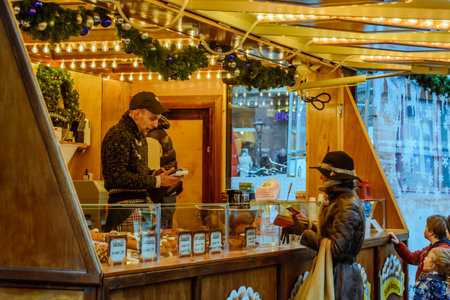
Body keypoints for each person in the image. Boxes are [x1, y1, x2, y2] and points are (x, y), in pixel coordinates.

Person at [281, 151, 365, 299]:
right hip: (338, 276)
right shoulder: (341, 200)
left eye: (324, 174)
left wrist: (304, 233)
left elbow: (336, 249)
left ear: (334, 178)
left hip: (340, 282)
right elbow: (332, 235)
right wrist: (307, 225)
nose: (320, 177)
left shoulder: (346, 205)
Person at [101, 91, 182, 232]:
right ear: (137, 114)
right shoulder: (118, 134)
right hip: (124, 210)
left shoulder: (140, 137)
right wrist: (156, 181)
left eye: (157, 119)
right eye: (152, 118)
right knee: (131, 253)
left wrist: (155, 174)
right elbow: (118, 177)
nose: (156, 124)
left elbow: (137, 172)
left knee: (148, 252)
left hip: (142, 206)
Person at [388, 215, 450, 281]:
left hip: (431, 288)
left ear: (431, 232)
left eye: (426, 227)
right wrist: (398, 244)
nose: (425, 229)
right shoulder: (430, 247)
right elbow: (412, 258)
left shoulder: (442, 251)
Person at [146, 115, 183, 228]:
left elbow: (153, 173)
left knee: (157, 239)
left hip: (160, 197)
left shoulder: (151, 139)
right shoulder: (162, 135)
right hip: (167, 195)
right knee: (164, 237)